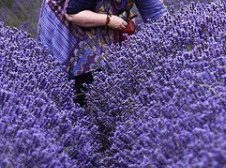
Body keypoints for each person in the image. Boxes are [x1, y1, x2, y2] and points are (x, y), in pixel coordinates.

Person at [38, 0, 168, 107]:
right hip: (66, 18)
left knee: (109, 71)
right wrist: (108, 19)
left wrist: (171, 40)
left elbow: (155, 12)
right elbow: (73, 14)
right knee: (81, 79)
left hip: (99, 12)